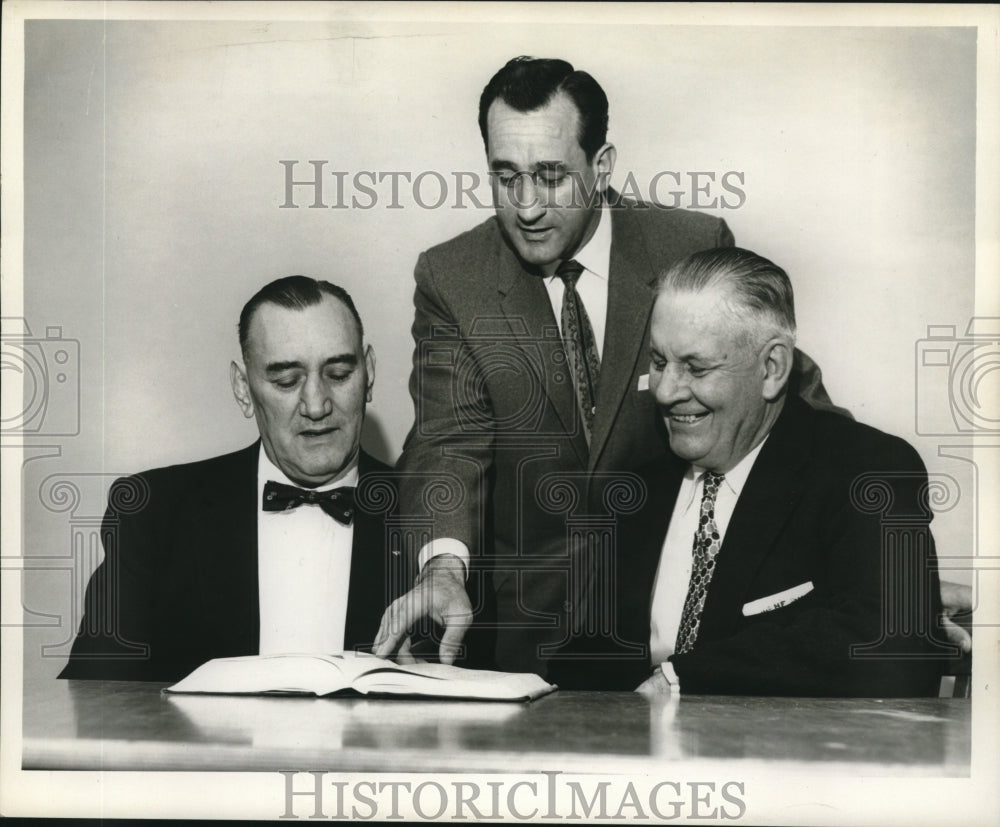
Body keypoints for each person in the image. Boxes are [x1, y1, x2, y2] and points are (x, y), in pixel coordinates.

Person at [374, 57, 837, 677]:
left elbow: (794, 404)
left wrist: (866, 566)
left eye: (551, 176)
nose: (527, 207)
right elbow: (447, 445)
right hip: (521, 647)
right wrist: (442, 569)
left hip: (682, 634)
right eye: (505, 176)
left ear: (602, 166)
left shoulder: (689, 243)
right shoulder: (452, 276)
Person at [604, 247, 953, 696]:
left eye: (696, 367)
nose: (667, 391)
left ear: (772, 368)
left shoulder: (867, 471)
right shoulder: (639, 486)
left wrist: (683, 677)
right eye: (658, 362)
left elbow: (894, 644)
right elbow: (589, 658)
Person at [60, 277, 401, 681]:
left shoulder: (438, 515)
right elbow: (92, 696)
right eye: (286, 381)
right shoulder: (155, 511)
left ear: (369, 373)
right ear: (243, 388)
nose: (316, 404)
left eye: (339, 373)